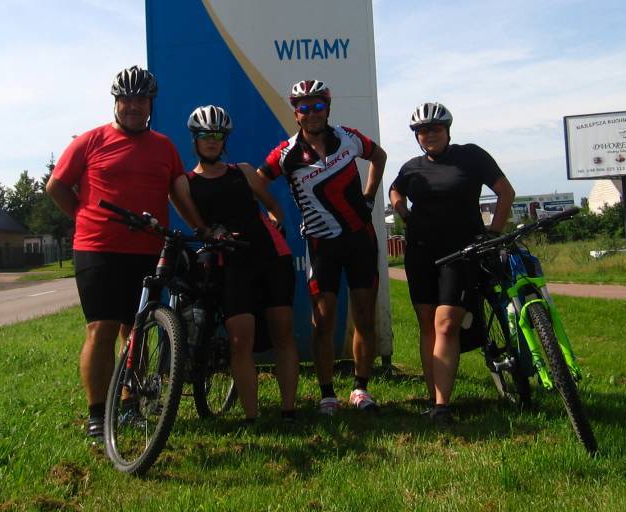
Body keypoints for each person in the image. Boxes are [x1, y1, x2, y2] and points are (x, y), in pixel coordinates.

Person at [46, 66, 212, 447]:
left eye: (141, 99)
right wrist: (83, 216)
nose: (134, 106)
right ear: (116, 102)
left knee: (136, 330)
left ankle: (128, 405)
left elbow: (179, 195)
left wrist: (202, 228)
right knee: (101, 329)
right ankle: (96, 415)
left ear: (151, 103)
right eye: (127, 99)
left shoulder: (164, 147)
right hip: (98, 249)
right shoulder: (90, 141)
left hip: (148, 250)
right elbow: (56, 186)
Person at [258, 79, 387, 414]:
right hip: (321, 245)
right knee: (323, 322)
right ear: (296, 114)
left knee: (364, 317)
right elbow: (257, 181)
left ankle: (361, 389)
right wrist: (274, 211)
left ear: (327, 109)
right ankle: (327, 394)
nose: (311, 112)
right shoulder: (286, 153)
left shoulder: (348, 137)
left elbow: (379, 156)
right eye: (304, 107)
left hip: (360, 240)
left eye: (318, 106)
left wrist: (369, 196)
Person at [388, 102, 515, 424]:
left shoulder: (471, 156)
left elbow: (505, 192)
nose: (429, 135)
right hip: (420, 252)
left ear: (447, 131)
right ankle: (433, 399)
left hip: (462, 251)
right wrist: (404, 214)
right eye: (422, 131)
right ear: (416, 136)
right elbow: (395, 191)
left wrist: (493, 233)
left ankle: (443, 406)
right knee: (427, 324)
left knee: (446, 324)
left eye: (435, 129)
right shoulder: (412, 167)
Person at [184, 105, 299, 424]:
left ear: (225, 139)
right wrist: (211, 233)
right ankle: (251, 417)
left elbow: (273, 206)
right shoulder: (185, 183)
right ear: (194, 138)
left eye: (218, 134)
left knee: (283, 332)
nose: (212, 140)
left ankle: (289, 412)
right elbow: (197, 227)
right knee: (240, 340)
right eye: (205, 134)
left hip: (271, 256)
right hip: (232, 263)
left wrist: (276, 224)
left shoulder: (244, 171)